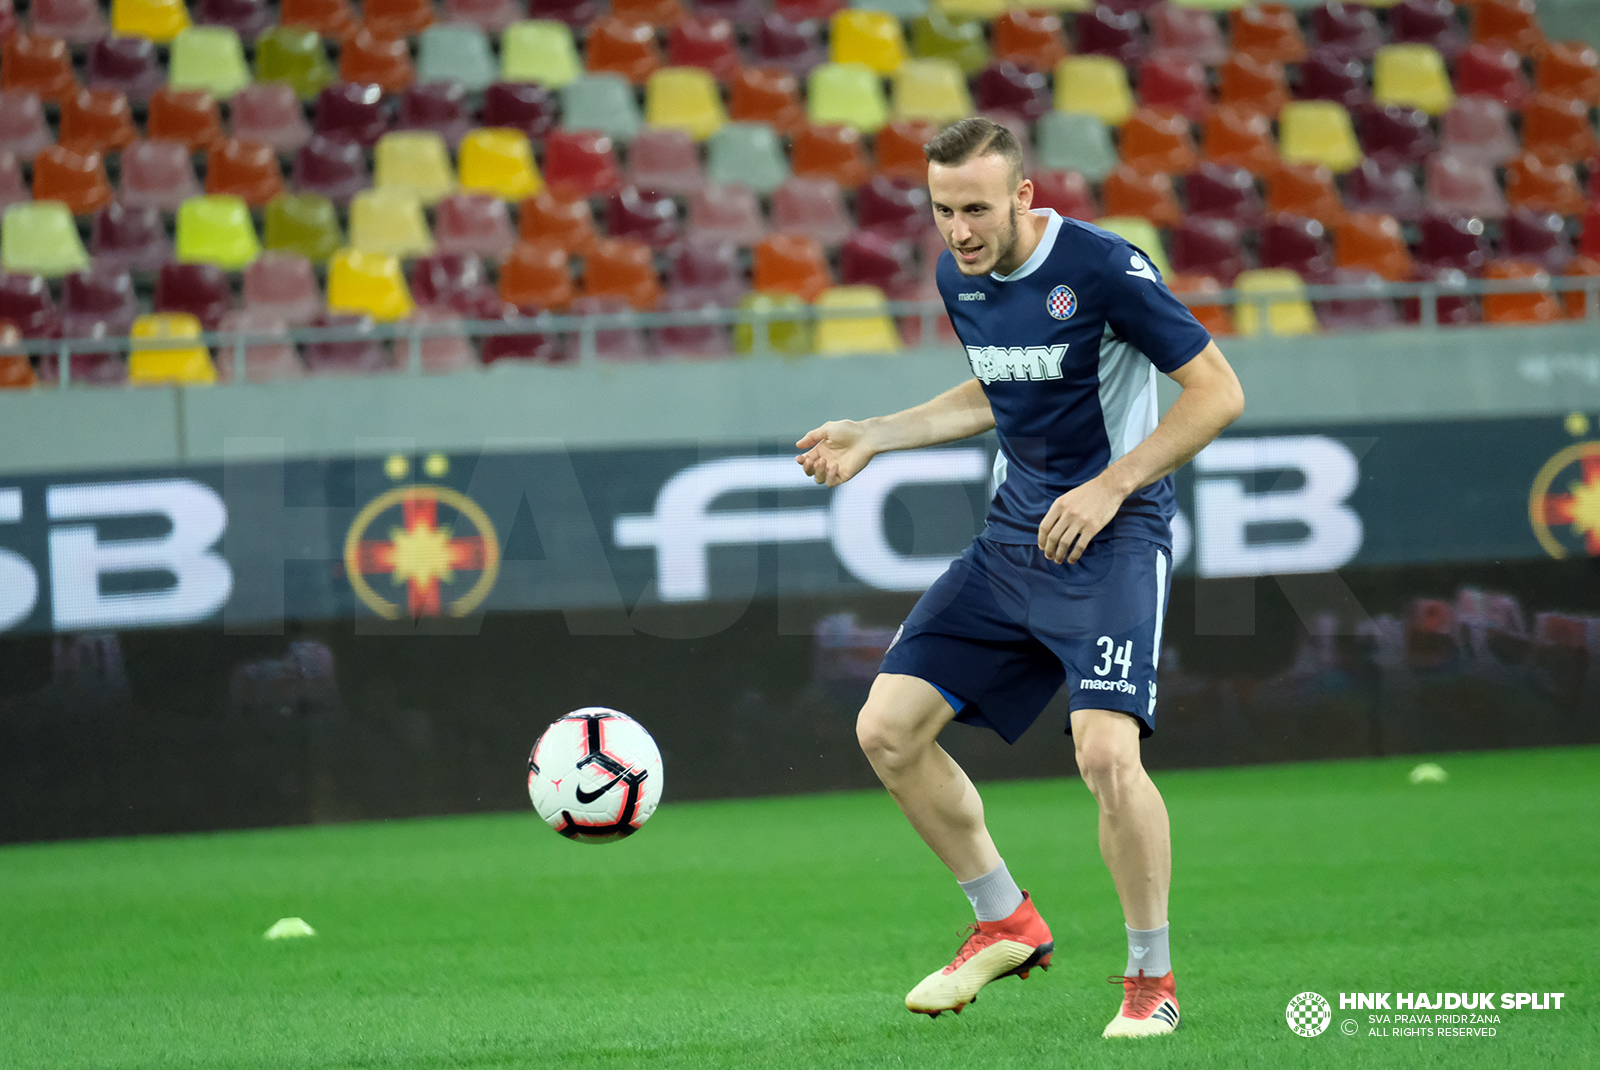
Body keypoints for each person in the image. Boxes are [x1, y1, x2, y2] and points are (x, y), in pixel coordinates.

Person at [795, 116, 1244, 1038]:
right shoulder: (959, 277)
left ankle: (1149, 982)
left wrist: (1112, 486)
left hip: (1115, 537)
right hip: (1014, 541)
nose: (958, 230)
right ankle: (1004, 919)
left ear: (1024, 198)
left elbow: (1218, 393)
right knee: (886, 731)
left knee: (1106, 754)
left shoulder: (1105, 271)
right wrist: (876, 432)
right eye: (941, 210)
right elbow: (996, 389)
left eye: (975, 209)